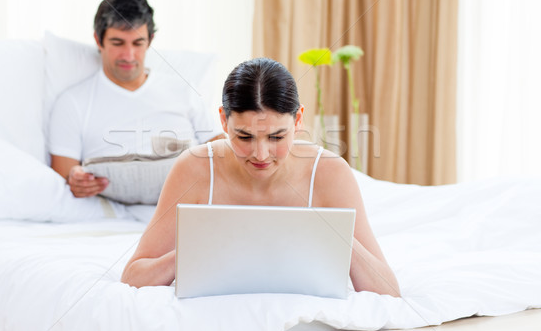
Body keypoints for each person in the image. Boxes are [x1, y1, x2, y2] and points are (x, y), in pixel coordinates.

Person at [121, 57, 401, 297]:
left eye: (277, 136)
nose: (261, 154)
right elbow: (134, 276)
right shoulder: (195, 168)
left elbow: (387, 290)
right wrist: (193, 252)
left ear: (299, 120)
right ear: (223, 120)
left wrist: (333, 234)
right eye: (244, 136)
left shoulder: (330, 173)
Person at [49, 0, 224, 198]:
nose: (128, 55)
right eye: (117, 43)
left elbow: (222, 153)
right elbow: (63, 175)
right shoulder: (73, 102)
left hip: (186, 204)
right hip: (105, 208)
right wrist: (76, 179)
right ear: (98, 40)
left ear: (150, 40)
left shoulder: (184, 90)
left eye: (138, 43)